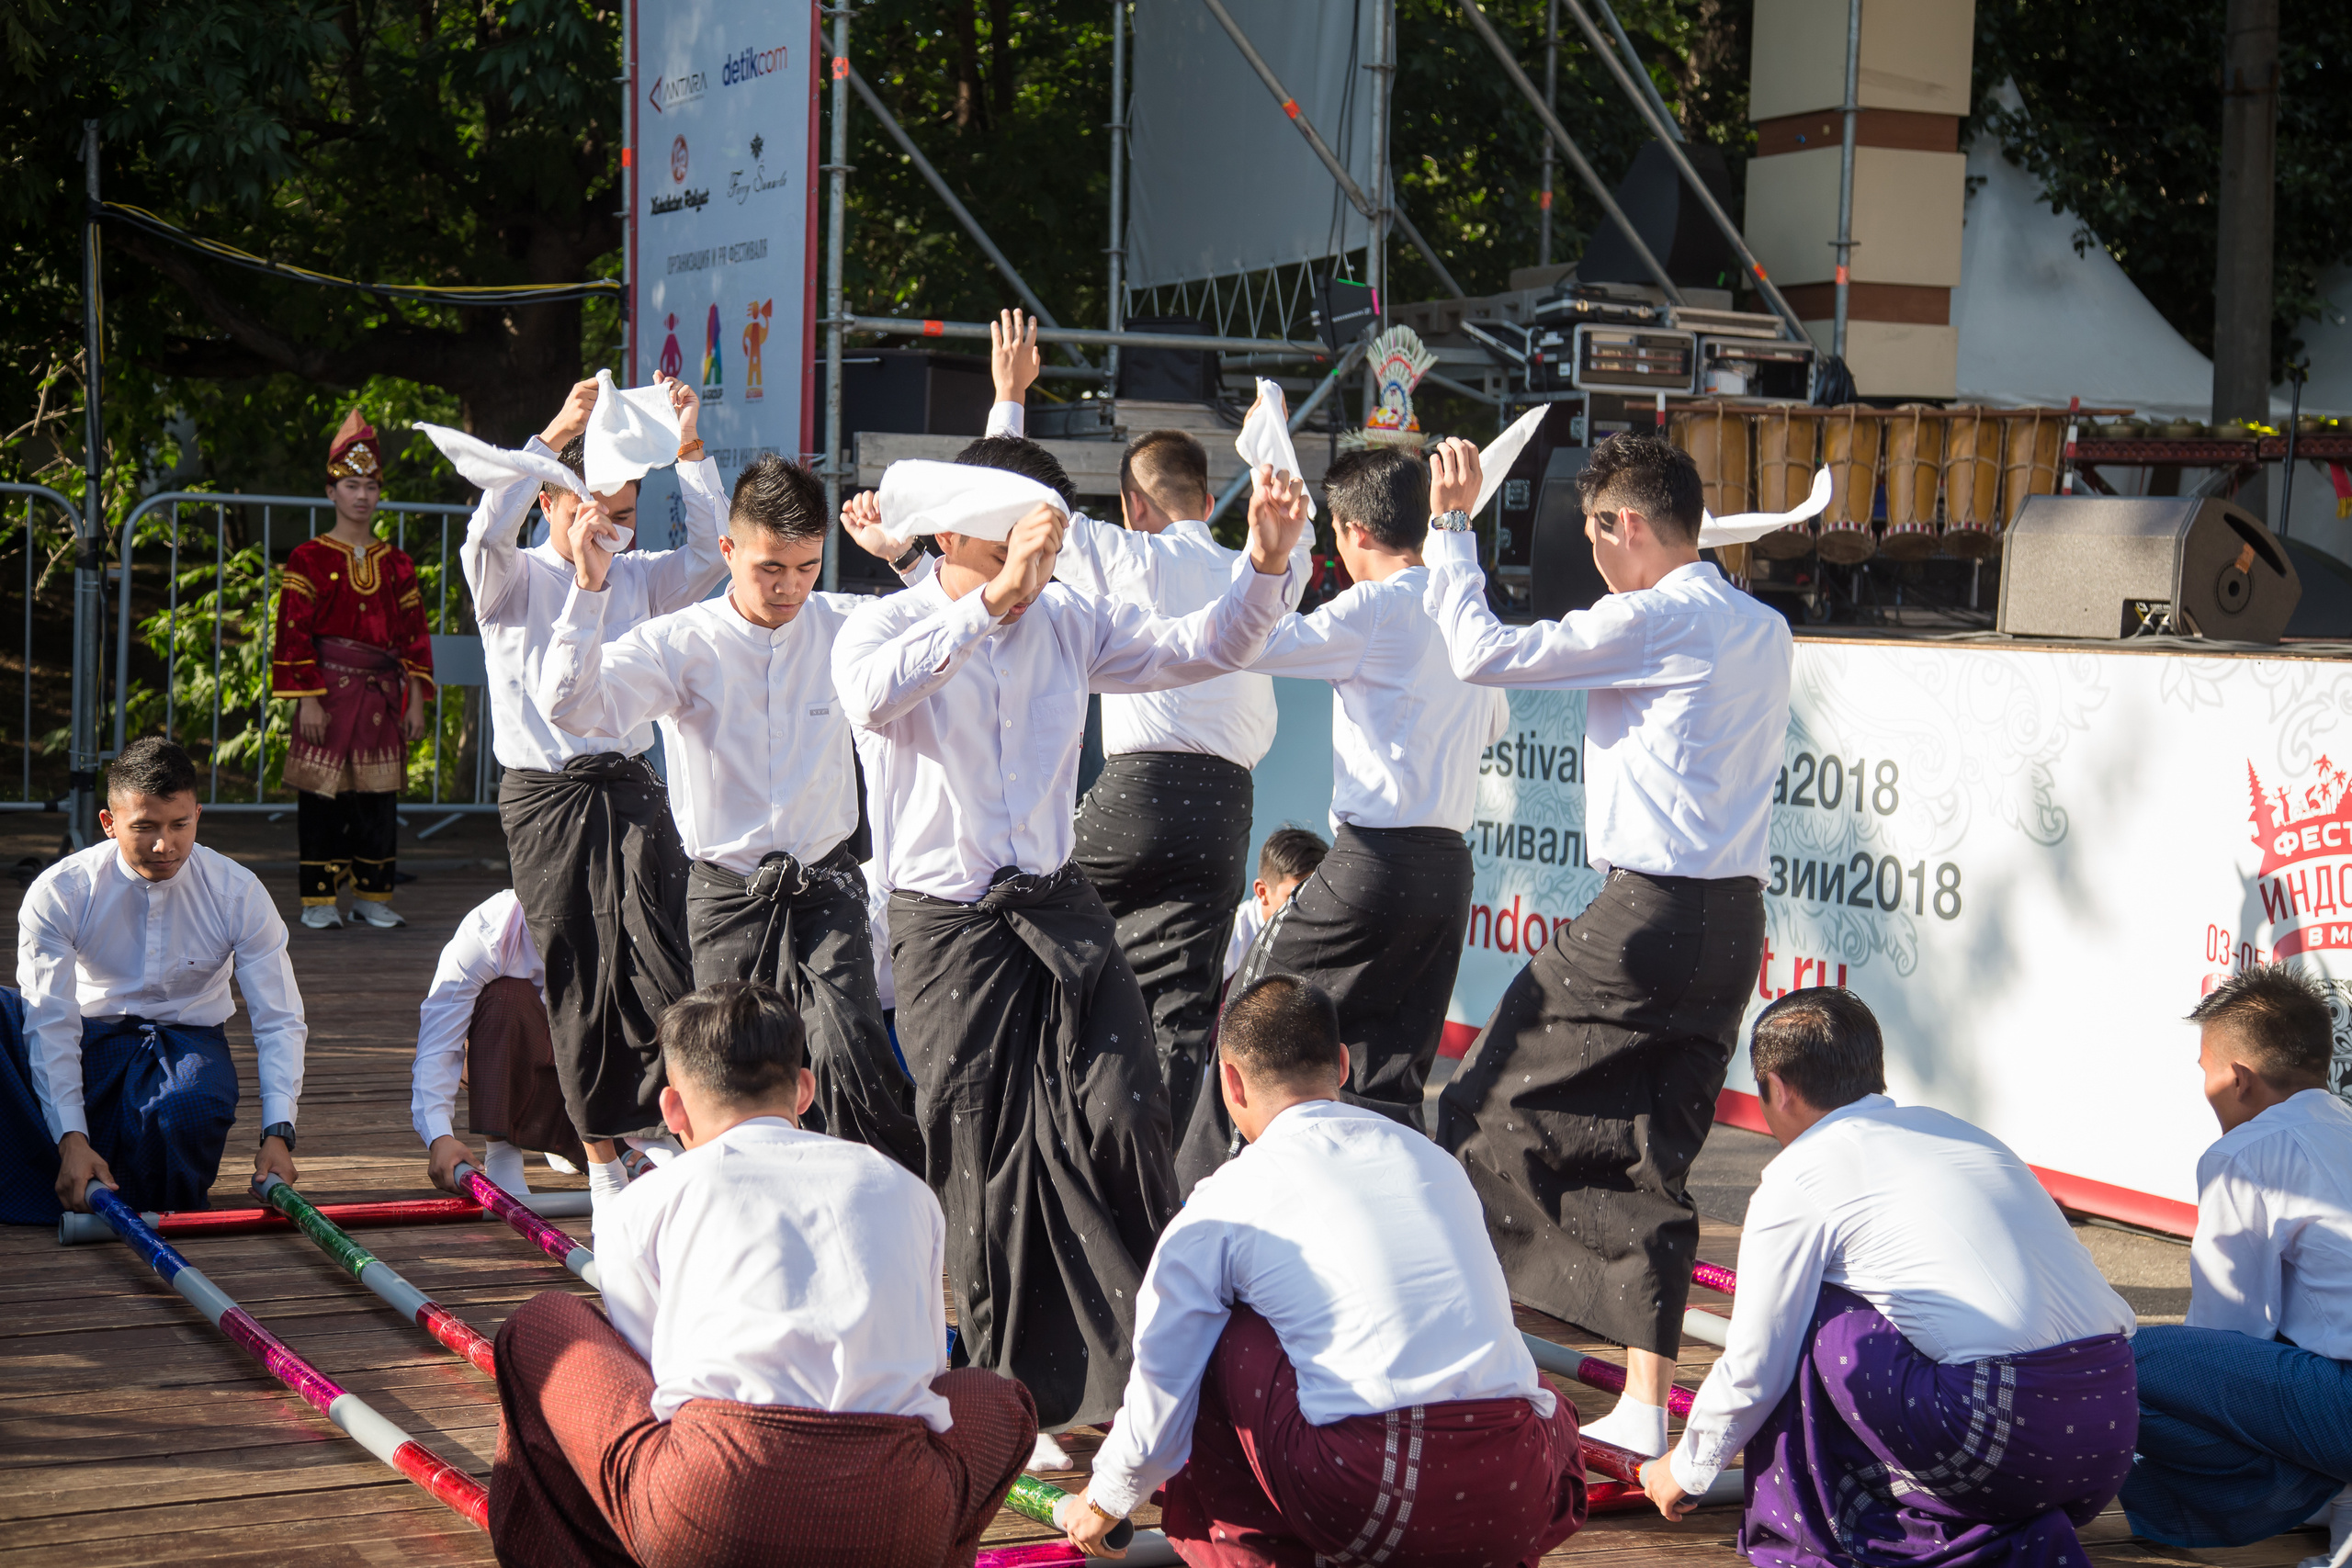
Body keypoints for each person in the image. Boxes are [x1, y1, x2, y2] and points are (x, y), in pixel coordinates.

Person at [831, 455, 1307, 1437]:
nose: (1035, 554)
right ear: (955, 539)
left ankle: (1141, 1370)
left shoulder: (1067, 619)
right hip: (950, 929)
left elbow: (1206, 643)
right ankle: (1011, 1396)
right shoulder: (887, 621)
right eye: (1012, 537)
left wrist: (1261, 563)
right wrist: (987, 607)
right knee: (980, 1157)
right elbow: (872, 699)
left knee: (1123, 1108)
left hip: (1060, 909)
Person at [1424, 431, 1792, 1456]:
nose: (1592, 564)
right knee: (1649, 1150)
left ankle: (1486, 1351)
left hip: (1647, 917)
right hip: (1731, 920)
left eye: (1594, 538)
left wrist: (1453, 527)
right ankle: (1641, 1402)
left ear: (1622, 525)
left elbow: (1478, 653)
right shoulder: (1762, 625)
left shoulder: (1653, 615)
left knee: (1480, 1107)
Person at [489, 980, 1035, 1568]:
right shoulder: (902, 1186)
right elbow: (926, 1370)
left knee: (540, 1325)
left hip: (711, 1504)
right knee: (999, 1398)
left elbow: (648, 1379)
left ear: (672, 1109)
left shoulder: (650, 1201)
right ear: (805, 1090)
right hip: (897, 1512)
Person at [1064, 974, 1587, 1567]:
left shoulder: (1227, 1199)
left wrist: (1105, 1496)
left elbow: (1162, 1378)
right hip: (1517, 1491)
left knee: (1215, 1327)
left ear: (1230, 1081)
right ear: (1342, 1064)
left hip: (1374, 1492)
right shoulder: (1433, 1161)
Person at [1641, 989, 2139, 1568]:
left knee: (1815, 1311)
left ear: (1776, 1088)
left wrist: (1686, 1468)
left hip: (2006, 1439)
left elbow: (1758, 1361)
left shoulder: (1800, 1174)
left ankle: (1820, 1530)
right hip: (2110, 1431)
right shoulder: (1959, 1132)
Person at [534, 453, 929, 1170]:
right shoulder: (682, 641)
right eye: (769, 568)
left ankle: (870, 1214)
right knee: (733, 1079)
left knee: (850, 1055)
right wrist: (588, 592)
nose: (790, 587)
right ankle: (737, 1216)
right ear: (729, 549)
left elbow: (951, 621)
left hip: (827, 884)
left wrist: (902, 555)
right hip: (726, 893)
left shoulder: (844, 624)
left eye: (807, 567)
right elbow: (571, 706)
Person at [984, 311, 1311, 1137]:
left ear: (1133, 505)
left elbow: (1010, 503)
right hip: (1224, 807)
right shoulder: (1259, 568)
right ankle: (1159, 1178)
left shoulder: (1124, 552)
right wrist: (1270, 434)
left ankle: (1055, 1129)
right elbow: (1293, 519)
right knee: (1180, 1008)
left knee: (1030, 936)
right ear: (1207, 500)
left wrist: (1010, 396)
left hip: (1135, 795)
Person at [458, 375, 723, 1211]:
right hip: (544, 798)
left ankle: (677, 1132)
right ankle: (603, 1159)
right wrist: (556, 424)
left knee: (663, 955)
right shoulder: (510, 577)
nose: (608, 525)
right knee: (574, 970)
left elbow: (714, 554)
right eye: (590, 507)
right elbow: (484, 525)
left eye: (624, 509)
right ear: (551, 501)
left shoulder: (639, 575)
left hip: (631, 789)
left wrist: (689, 449)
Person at [1218, 446, 1510, 1134]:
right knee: (1392, 1068)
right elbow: (1494, 721)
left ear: (1355, 532)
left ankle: (1218, 1195)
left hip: (1375, 860)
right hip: (1447, 869)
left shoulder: (1373, 605)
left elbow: (1246, 643)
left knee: (1251, 1018)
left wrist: (1269, 559)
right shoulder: (1464, 604)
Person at [0, 738, 305, 1222]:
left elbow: (278, 1019)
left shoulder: (239, 893)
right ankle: (70, 1161)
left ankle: (123, 1190)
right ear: (109, 823)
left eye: (180, 824)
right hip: (88, 1035)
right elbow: (50, 1019)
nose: (165, 845)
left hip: (187, 1042)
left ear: (198, 815)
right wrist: (73, 1139)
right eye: (144, 827)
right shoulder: (60, 891)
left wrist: (277, 1134)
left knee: (188, 1108)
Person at [2118, 964, 2352, 1555]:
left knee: (2117, 1361)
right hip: (2333, 1396)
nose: (2207, 1091)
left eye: (2206, 1072)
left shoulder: (2246, 1152)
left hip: (2344, 1406)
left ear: (2240, 1077)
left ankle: (2314, 1494)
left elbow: (2225, 1335)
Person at [272, 409, 435, 931]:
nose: (361, 495)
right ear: (331, 491)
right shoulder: (308, 558)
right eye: (350, 485)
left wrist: (414, 699)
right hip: (328, 692)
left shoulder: (398, 564)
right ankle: (318, 902)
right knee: (321, 799)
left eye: (369, 485)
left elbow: (413, 637)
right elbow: (293, 633)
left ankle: (373, 896)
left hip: (382, 696)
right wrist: (307, 698)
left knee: (377, 800)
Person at [413, 888, 584, 1198]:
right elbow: (439, 1043)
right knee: (503, 997)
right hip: (525, 1052)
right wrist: (439, 1137)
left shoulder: (624, 915)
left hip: (594, 1074)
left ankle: (560, 1133)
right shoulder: (486, 932)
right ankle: (503, 1155)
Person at [1221, 828, 1329, 985]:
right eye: (1295, 898)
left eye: (1318, 897)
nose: (1309, 909)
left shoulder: (1333, 930)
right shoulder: (1229, 940)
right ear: (1262, 892)